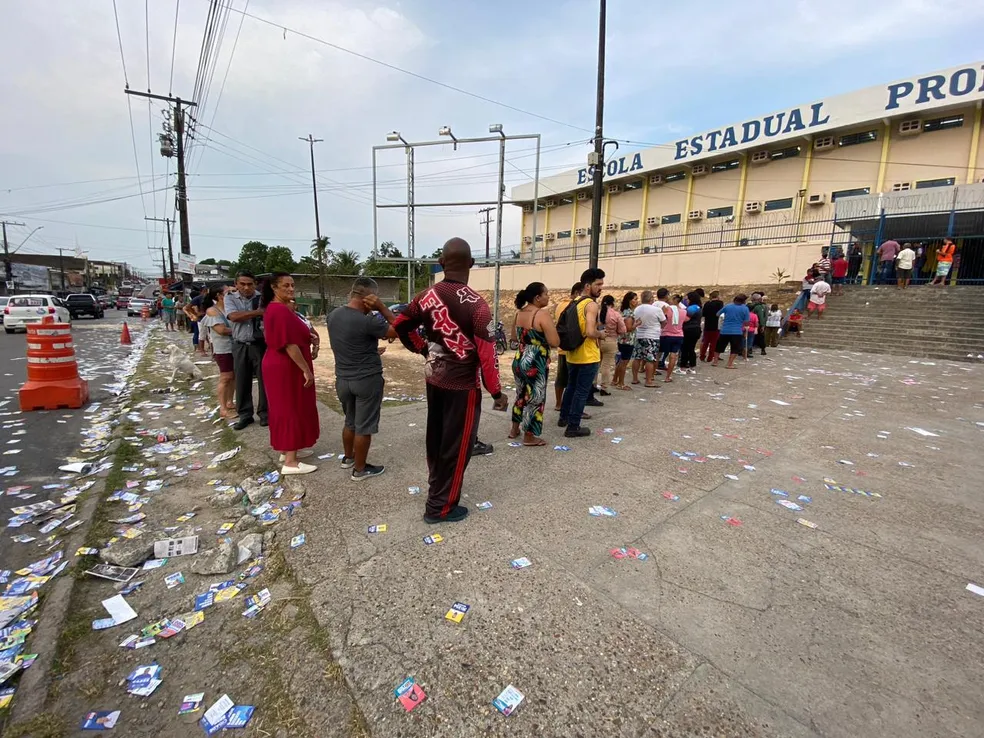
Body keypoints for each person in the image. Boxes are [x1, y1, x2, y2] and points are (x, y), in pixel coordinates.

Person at [393, 237, 508, 524]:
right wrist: (496, 392)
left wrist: (423, 349)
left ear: (442, 263)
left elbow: (400, 327)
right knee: (457, 446)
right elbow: (487, 354)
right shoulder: (478, 306)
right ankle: (440, 508)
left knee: (437, 438)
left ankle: (436, 487)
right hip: (462, 387)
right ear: (471, 264)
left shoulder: (425, 296)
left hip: (434, 380)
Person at [327, 277, 396, 481]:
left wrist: (371, 350)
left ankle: (348, 458)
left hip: (343, 379)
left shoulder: (333, 315)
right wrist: (382, 308)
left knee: (350, 422)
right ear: (369, 297)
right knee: (364, 426)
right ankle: (360, 469)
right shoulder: (368, 320)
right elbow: (398, 329)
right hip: (366, 380)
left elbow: (351, 341)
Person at [260, 273, 319, 475]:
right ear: (274, 288)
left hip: (284, 364)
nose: (291, 289)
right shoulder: (279, 310)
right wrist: (306, 370)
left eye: (293, 285)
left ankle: (288, 449)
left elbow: (294, 335)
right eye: (286, 285)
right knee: (289, 408)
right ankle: (291, 462)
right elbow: (289, 345)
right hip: (286, 366)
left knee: (291, 406)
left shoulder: (282, 309)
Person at [509, 282, 560, 447]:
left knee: (520, 394)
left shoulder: (519, 313)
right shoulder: (542, 314)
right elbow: (554, 341)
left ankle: (514, 429)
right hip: (535, 361)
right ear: (537, 297)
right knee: (535, 398)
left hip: (519, 359)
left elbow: (514, 338)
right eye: (546, 294)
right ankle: (529, 436)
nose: (548, 296)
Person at [558, 268, 606, 437]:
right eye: (598, 284)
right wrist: (602, 334)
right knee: (581, 391)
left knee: (571, 387)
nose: (601, 288)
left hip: (573, 353)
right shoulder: (591, 305)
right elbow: (591, 331)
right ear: (587, 286)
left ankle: (563, 417)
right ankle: (573, 426)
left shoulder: (575, 302)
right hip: (588, 355)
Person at [226, 271, 268, 430]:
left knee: (265, 381)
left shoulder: (262, 298)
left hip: (260, 345)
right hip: (240, 344)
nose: (246, 287)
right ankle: (245, 415)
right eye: (242, 284)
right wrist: (257, 313)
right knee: (242, 381)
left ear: (255, 284)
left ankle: (265, 413)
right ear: (236, 284)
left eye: (250, 284)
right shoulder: (230, 298)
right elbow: (234, 316)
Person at [200, 286, 236, 419]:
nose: (233, 294)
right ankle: (223, 408)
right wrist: (240, 330)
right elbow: (221, 330)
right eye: (229, 292)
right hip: (223, 349)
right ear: (219, 296)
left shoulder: (232, 309)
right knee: (226, 377)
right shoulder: (212, 311)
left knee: (234, 376)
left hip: (235, 347)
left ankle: (230, 402)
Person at [553, 283, 582, 411]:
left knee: (561, 378)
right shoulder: (574, 306)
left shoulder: (560, 305)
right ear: (576, 293)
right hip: (574, 349)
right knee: (574, 382)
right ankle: (570, 407)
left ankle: (558, 404)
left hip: (562, 348)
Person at [631, 289, 664, 387]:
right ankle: (648, 380)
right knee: (650, 359)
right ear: (651, 299)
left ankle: (635, 378)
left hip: (639, 334)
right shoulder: (657, 310)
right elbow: (664, 321)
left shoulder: (637, 309)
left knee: (637, 357)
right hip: (652, 336)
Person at [711, 294, 750, 370]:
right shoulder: (745, 309)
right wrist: (745, 330)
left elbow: (717, 314)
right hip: (737, 331)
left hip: (725, 330)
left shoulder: (728, 306)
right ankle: (729, 364)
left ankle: (715, 361)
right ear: (744, 301)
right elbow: (746, 322)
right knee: (735, 348)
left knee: (719, 347)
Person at [598, 295, 625, 394]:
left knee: (596, 364)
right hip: (611, 340)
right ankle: (604, 387)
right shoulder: (615, 314)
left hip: (598, 340)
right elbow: (622, 330)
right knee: (606, 365)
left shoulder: (598, 313)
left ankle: (592, 385)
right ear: (612, 303)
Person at [612, 292, 637, 390]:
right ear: (629, 301)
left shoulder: (623, 311)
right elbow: (629, 328)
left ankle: (615, 380)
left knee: (621, 361)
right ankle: (621, 383)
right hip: (628, 340)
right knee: (624, 362)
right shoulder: (629, 313)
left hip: (622, 340)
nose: (636, 301)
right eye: (634, 299)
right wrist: (637, 324)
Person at [659, 292, 686, 382]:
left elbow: (661, 318)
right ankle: (668, 376)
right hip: (678, 335)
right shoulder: (684, 311)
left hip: (666, 334)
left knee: (658, 354)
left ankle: (651, 375)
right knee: (673, 356)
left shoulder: (667, 309)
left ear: (674, 300)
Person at [699, 291, 723, 362]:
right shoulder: (720, 303)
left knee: (706, 341)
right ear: (717, 296)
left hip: (707, 325)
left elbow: (703, 314)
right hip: (716, 325)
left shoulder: (707, 303)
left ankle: (702, 356)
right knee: (714, 343)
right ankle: (710, 357)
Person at [680, 301, 702, 375]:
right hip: (696, 331)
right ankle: (692, 367)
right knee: (692, 349)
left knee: (685, 349)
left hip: (687, 331)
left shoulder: (687, 318)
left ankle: (682, 367)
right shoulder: (698, 316)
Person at [183, 286, 207, 355]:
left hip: (205, 318)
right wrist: (195, 314)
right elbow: (186, 308)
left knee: (208, 336)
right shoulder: (198, 299)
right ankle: (200, 349)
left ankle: (201, 349)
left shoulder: (209, 298)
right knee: (200, 334)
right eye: (205, 291)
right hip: (199, 319)